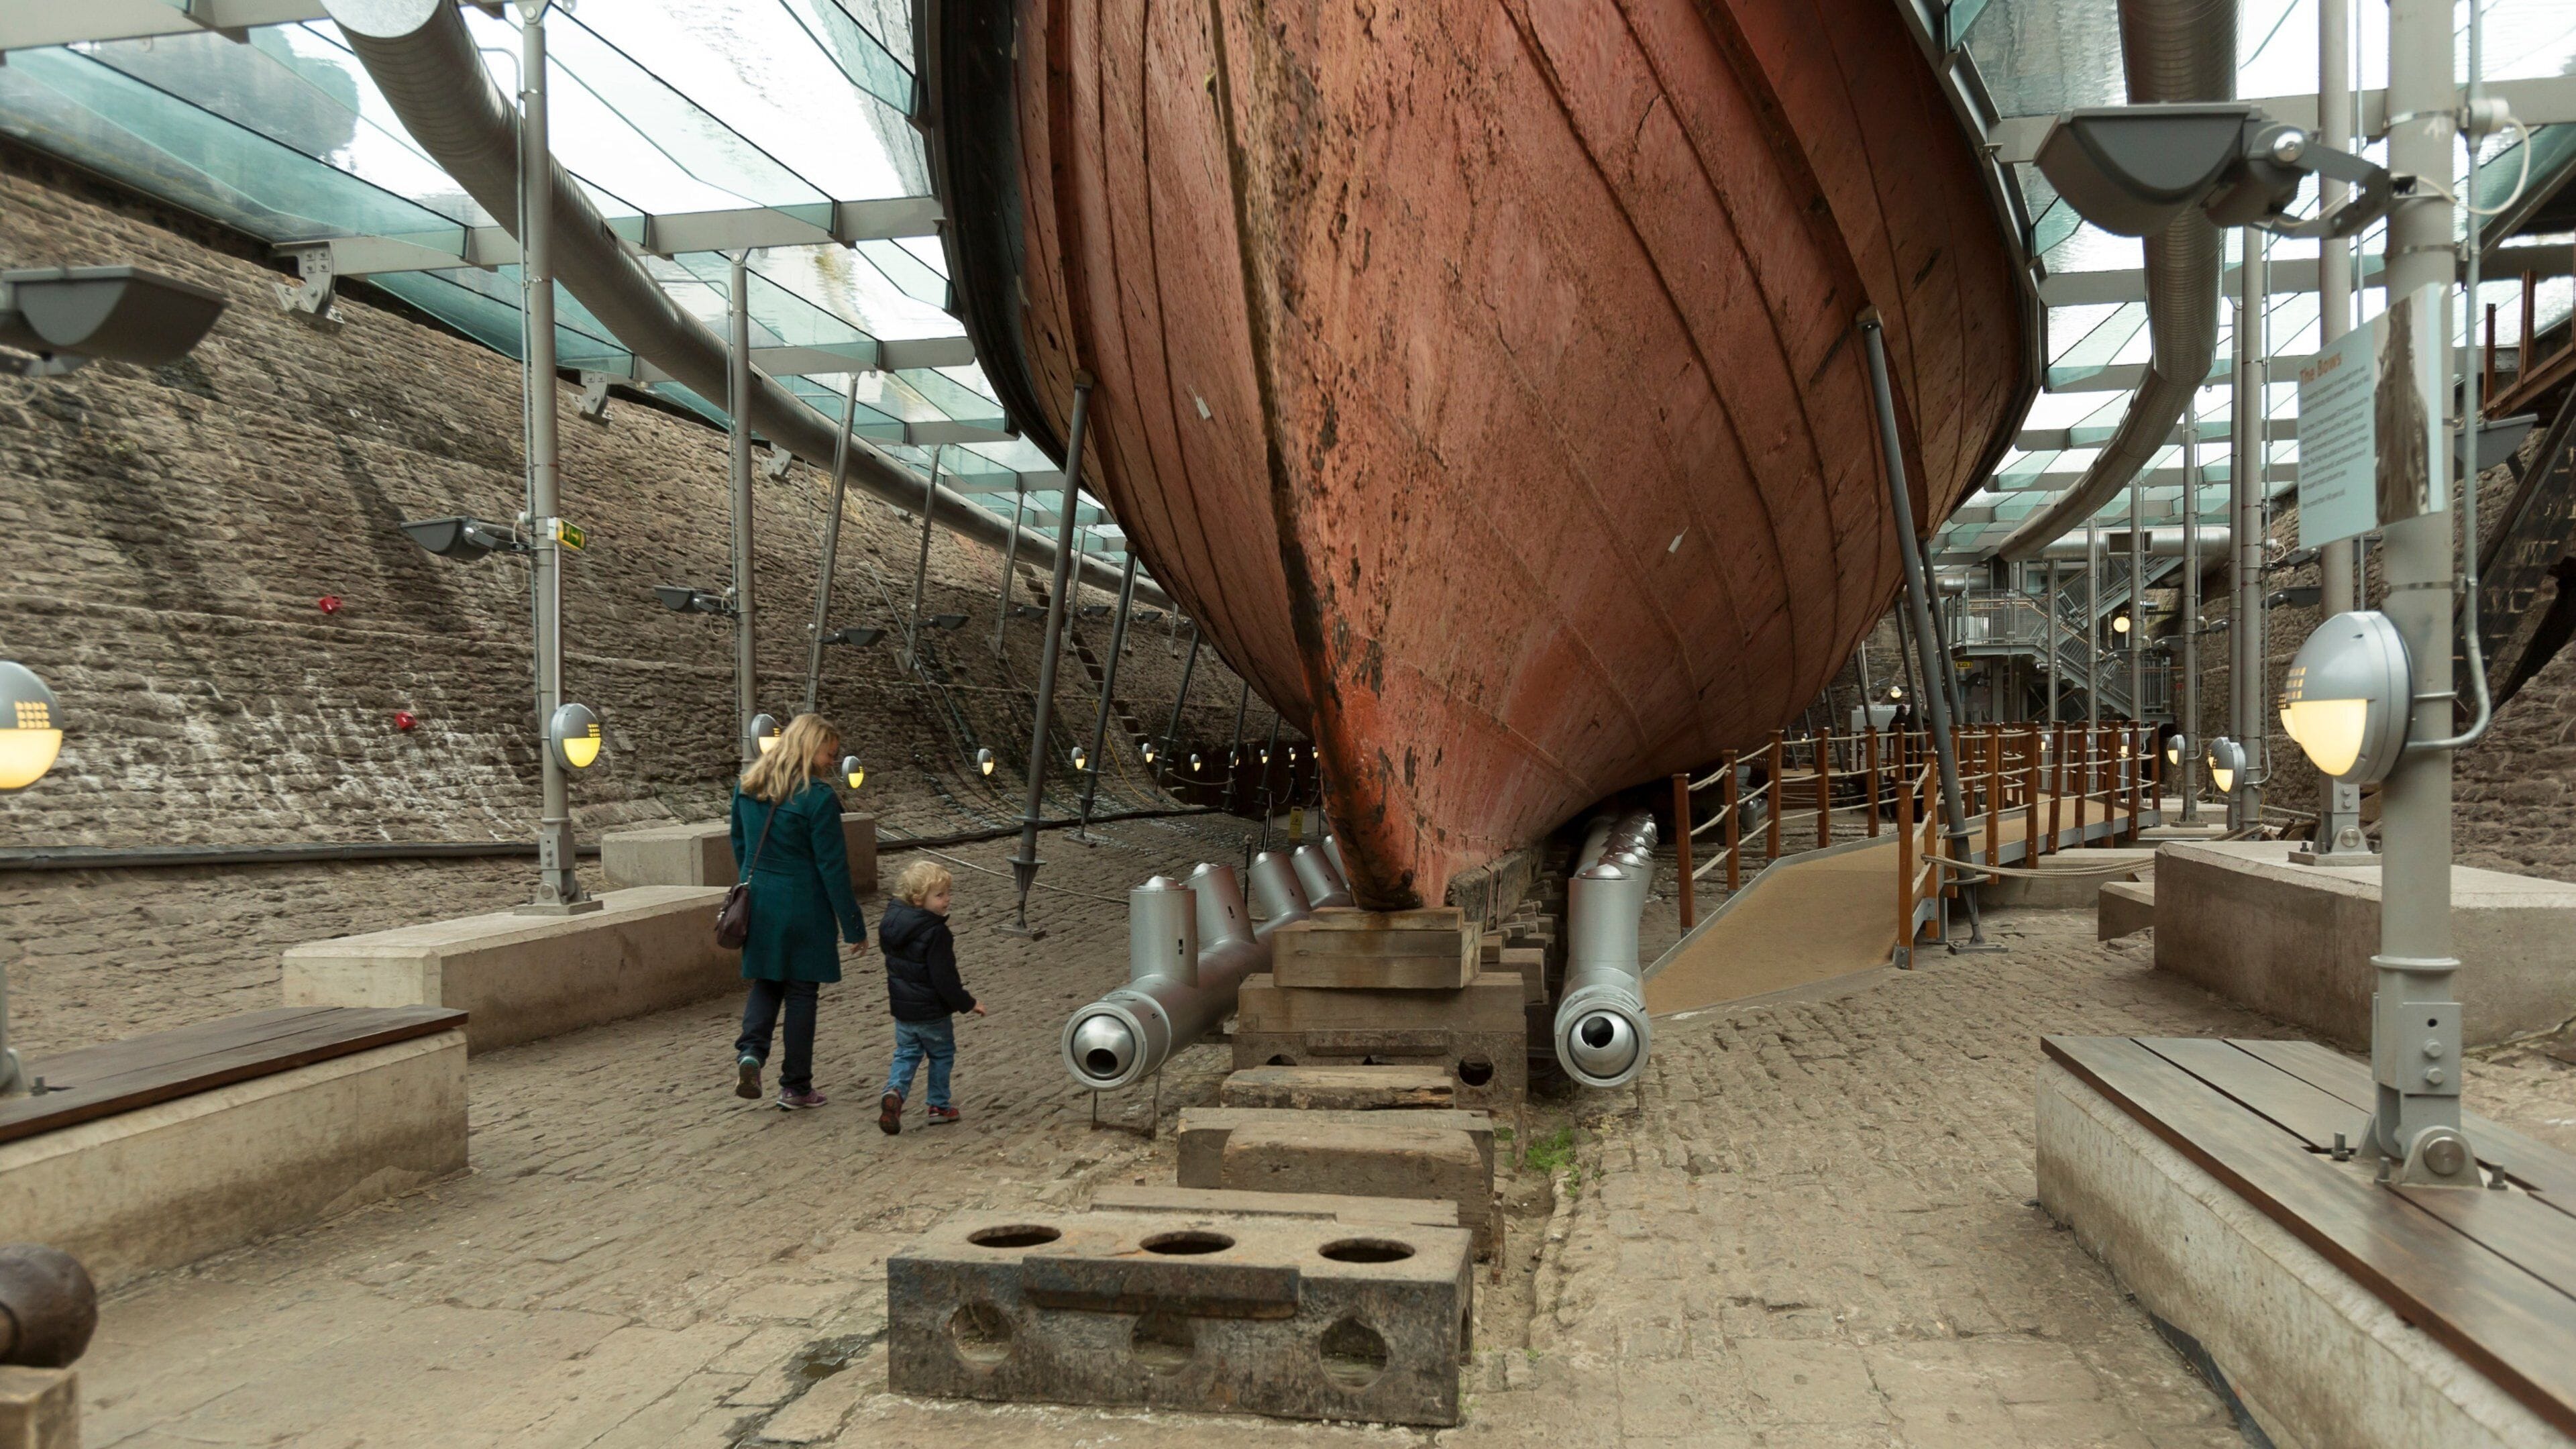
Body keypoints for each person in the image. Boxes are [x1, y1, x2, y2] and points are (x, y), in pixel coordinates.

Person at [729, 713, 869, 1111]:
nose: (831, 762)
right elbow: (833, 867)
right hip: (804, 906)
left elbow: (740, 846)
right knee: (802, 992)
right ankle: (796, 1086)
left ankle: (751, 1055)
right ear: (811, 749)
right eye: (830, 754)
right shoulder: (819, 798)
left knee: (766, 983)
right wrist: (853, 926)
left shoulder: (747, 787)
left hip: (761, 903)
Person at [876, 860, 982, 1134]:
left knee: (907, 1053)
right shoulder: (936, 933)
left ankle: (895, 1092)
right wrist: (967, 1003)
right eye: (940, 895)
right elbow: (945, 979)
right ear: (918, 899)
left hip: (903, 1009)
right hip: (933, 1012)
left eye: (948, 893)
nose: (947, 900)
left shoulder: (891, 923)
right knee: (942, 1054)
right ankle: (939, 1105)